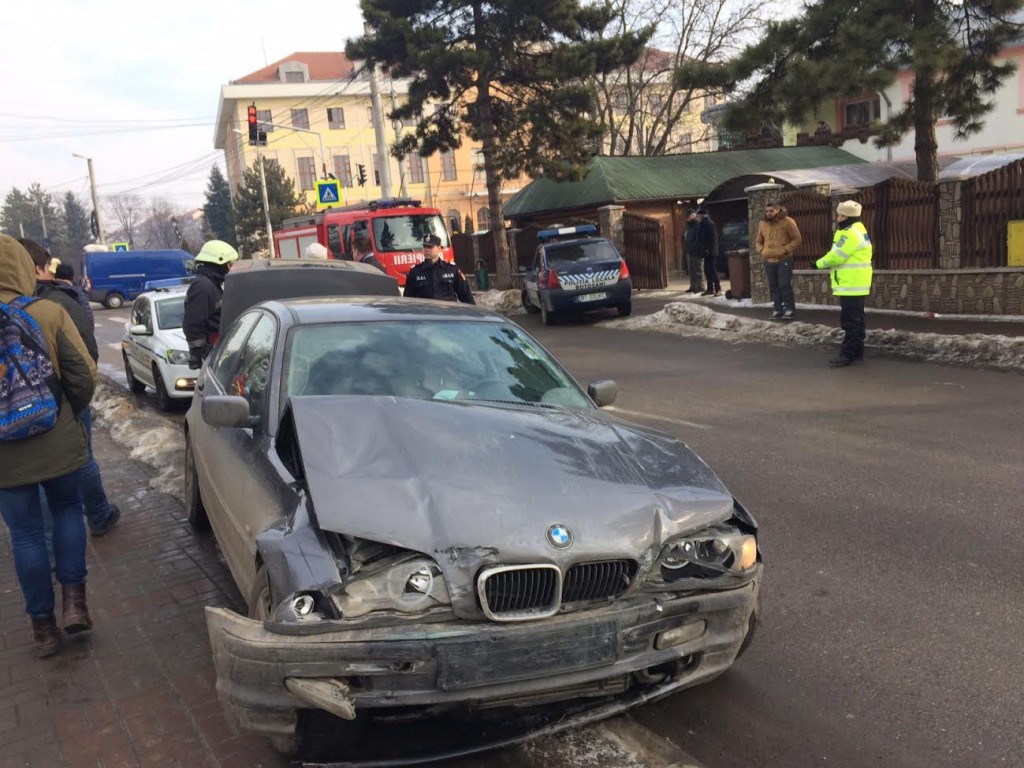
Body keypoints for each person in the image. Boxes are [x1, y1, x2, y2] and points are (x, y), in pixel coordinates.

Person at [0, 234, 98, 657]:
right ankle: (74, 603)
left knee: (24, 535)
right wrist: (67, 413)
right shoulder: (48, 311)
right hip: (55, 435)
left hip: (5, 454)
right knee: (67, 510)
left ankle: (43, 628)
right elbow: (83, 375)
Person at [19, 239, 120, 538]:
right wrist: (73, 404)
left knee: (29, 488)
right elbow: (85, 359)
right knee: (80, 462)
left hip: (10, 419)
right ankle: (98, 515)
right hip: (61, 404)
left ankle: (46, 545)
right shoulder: (57, 302)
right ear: (37, 268)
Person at [811, 200, 873, 367]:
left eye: (839, 215)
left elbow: (836, 256)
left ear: (845, 217)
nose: (837, 218)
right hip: (857, 282)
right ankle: (857, 351)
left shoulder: (849, 233)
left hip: (850, 283)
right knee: (857, 320)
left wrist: (818, 264)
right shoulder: (859, 229)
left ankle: (847, 354)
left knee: (850, 321)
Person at [183, 240, 239, 369]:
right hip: (213, 354)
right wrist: (204, 354)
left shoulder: (212, 284)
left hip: (219, 350)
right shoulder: (202, 287)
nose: (232, 269)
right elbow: (193, 325)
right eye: (230, 265)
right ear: (219, 264)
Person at [755, 201, 803, 320]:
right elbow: (758, 241)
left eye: (771, 211)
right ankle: (777, 309)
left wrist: (785, 249)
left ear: (777, 210)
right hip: (769, 259)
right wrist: (762, 251)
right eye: (767, 211)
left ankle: (789, 309)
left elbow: (797, 239)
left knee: (784, 285)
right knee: (774, 286)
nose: (769, 213)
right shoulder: (763, 224)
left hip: (784, 259)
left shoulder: (788, 222)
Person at [403, 234, 475, 303]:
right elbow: (408, 300)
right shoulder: (415, 272)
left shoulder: (451, 270)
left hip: (448, 310)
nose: (427, 250)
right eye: (425, 247)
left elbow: (466, 296)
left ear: (439, 248)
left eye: (430, 247)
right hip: (425, 310)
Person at [696, 209, 721, 297]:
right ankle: (710, 289)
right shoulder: (702, 224)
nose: (697, 218)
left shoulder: (710, 224)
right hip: (705, 252)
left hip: (711, 252)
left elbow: (712, 239)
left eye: (698, 216)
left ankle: (718, 288)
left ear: (702, 216)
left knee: (713, 270)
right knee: (707, 270)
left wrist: (708, 249)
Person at [682, 209, 704, 294]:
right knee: (692, 270)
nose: (686, 218)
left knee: (698, 270)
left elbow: (698, 239)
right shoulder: (689, 225)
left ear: (693, 215)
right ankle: (693, 286)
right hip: (690, 250)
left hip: (696, 251)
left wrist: (694, 247)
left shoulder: (697, 225)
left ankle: (701, 287)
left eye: (688, 216)